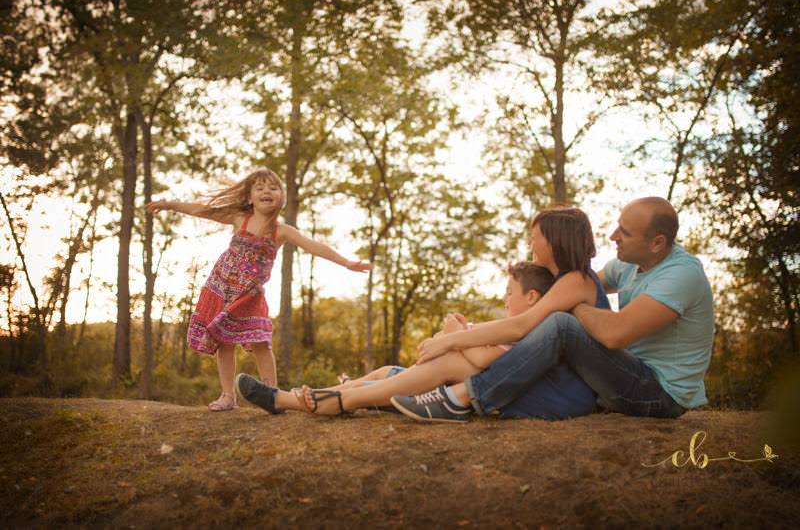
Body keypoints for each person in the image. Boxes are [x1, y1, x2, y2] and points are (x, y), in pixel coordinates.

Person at [235, 207, 609, 419]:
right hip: (528, 380)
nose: (530, 242)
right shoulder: (556, 284)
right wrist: (459, 337)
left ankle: (340, 401)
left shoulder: (573, 281)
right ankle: (288, 399)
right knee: (389, 373)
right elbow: (513, 335)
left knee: (446, 363)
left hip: (554, 391)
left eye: (535, 236)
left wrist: (454, 339)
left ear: (555, 239)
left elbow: (516, 330)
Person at [391, 197, 714, 423]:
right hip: (626, 375)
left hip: (659, 393)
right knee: (555, 320)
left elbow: (615, 333)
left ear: (657, 243)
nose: (613, 236)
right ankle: (427, 389)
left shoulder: (681, 276)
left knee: (561, 323)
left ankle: (462, 399)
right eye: (617, 226)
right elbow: (577, 283)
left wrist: (570, 305)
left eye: (624, 233)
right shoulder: (629, 264)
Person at [145, 168, 371, 411]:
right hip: (223, 286)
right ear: (249, 197)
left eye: (273, 188)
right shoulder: (238, 217)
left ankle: (273, 395)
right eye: (260, 187)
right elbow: (202, 210)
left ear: (281, 197)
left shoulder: (281, 231)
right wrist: (169, 204)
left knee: (261, 341)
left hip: (250, 294)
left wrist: (347, 263)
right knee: (223, 341)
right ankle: (228, 396)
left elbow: (315, 246)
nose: (267, 191)